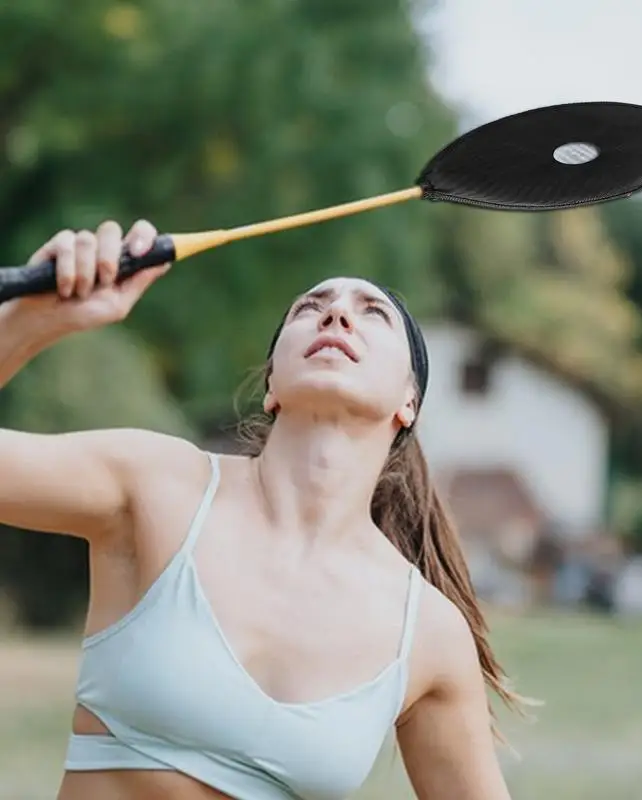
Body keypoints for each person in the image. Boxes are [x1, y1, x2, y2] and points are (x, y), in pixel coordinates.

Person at [0, 219, 529, 800]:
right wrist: (31, 322)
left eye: (372, 312)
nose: (336, 315)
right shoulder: (157, 485)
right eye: (312, 306)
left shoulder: (427, 630)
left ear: (410, 401)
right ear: (272, 381)